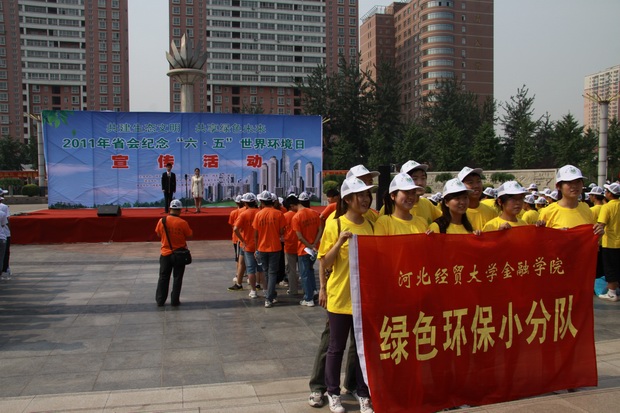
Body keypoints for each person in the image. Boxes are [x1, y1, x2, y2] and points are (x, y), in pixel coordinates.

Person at [318, 176, 375, 413]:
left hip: (365, 298)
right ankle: (333, 393)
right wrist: (339, 242)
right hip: (340, 297)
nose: (365, 199)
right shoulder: (336, 225)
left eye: (367, 195)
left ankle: (363, 393)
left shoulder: (372, 225)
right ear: (348, 199)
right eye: (360, 195)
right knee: (336, 348)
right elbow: (325, 262)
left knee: (363, 349)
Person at [538, 164, 604, 233]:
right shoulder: (548, 212)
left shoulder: (586, 208)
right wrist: (557, 234)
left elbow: (590, 236)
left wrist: (598, 233)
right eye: (569, 182)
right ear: (558, 186)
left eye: (578, 182)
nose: (574, 186)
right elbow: (541, 238)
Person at [155, 199, 192, 307]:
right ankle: (175, 301)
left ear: (170, 209)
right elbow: (189, 234)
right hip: (179, 254)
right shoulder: (183, 223)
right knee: (177, 278)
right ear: (180, 210)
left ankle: (160, 300)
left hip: (165, 253)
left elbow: (158, 234)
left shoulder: (162, 221)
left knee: (163, 277)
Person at [254, 191, 286, 308]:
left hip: (262, 247)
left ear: (262, 202)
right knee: (272, 273)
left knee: (266, 272)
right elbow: (282, 231)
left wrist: (256, 249)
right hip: (275, 247)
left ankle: (270, 295)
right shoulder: (279, 214)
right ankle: (269, 297)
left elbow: (256, 234)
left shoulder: (259, 215)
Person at [293, 191, 323, 307]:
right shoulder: (315, 213)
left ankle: (308, 298)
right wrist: (314, 244)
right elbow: (320, 230)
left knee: (305, 273)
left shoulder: (297, 217)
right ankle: (314, 291)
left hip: (304, 249)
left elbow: (300, 237)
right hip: (314, 248)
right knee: (310, 271)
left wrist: (309, 246)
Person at [232, 193, 260, 296]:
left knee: (247, 266)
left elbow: (235, 228)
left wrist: (242, 240)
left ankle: (249, 288)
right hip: (258, 243)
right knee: (259, 267)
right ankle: (256, 284)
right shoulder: (259, 212)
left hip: (246, 244)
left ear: (246, 203)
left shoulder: (243, 213)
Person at [596, 182, 620, 301]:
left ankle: (611, 293)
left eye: (606, 191)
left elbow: (601, 225)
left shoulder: (607, 207)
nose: (605, 193)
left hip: (610, 243)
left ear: (610, 194)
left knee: (610, 268)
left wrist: (596, 241)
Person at [457, 166, 497, 230]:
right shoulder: (456, 214)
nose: (476, 186)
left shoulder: (491, 212)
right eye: (470, 183)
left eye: (478, 181)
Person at [283, 194, 300, 296]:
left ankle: (293, 289)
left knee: (291, 269)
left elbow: (281, 230)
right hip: (301, 245)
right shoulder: (299, 215)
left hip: (289, 245)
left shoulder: (285, 216)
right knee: (304, 269)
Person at [229, 195, 246, 288]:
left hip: (238, 238)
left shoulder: (235, 212)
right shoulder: (245, 211)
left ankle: (238, 275)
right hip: (246, 238)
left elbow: (233, 225)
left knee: (239, 258)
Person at [0, 190, 10, 279]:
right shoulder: (4, 208)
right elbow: (5, 223)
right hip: (4, 235)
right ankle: (4, 270)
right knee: (4, 255)